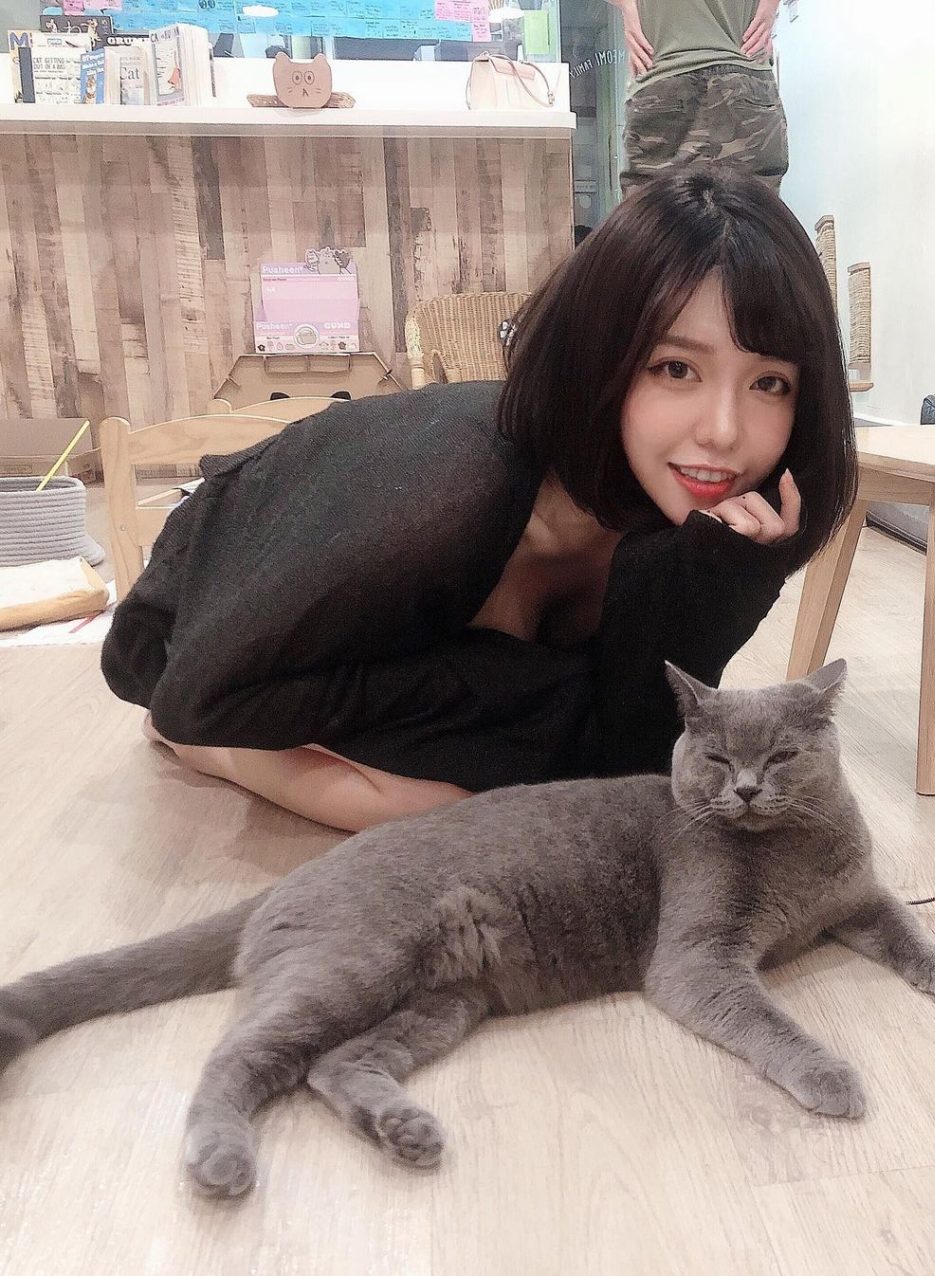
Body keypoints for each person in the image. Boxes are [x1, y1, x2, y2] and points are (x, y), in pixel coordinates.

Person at [101, 166, 856, 833]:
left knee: (541, 777)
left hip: (346, 668)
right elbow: (197, 695)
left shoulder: (670, 525)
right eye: (675, 369)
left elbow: (633, 760)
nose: (724, 432)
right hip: (211, 625)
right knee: (510, 778)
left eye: (769, 383)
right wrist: (211, 748)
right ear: (602, 357)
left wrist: (721, 583)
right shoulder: (446, 498)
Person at [613, 0, 788, 194]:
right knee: (755, 207)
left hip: (662, 74)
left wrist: (627, 6)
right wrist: (770, 7)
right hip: (743, 74)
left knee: (651, 209)